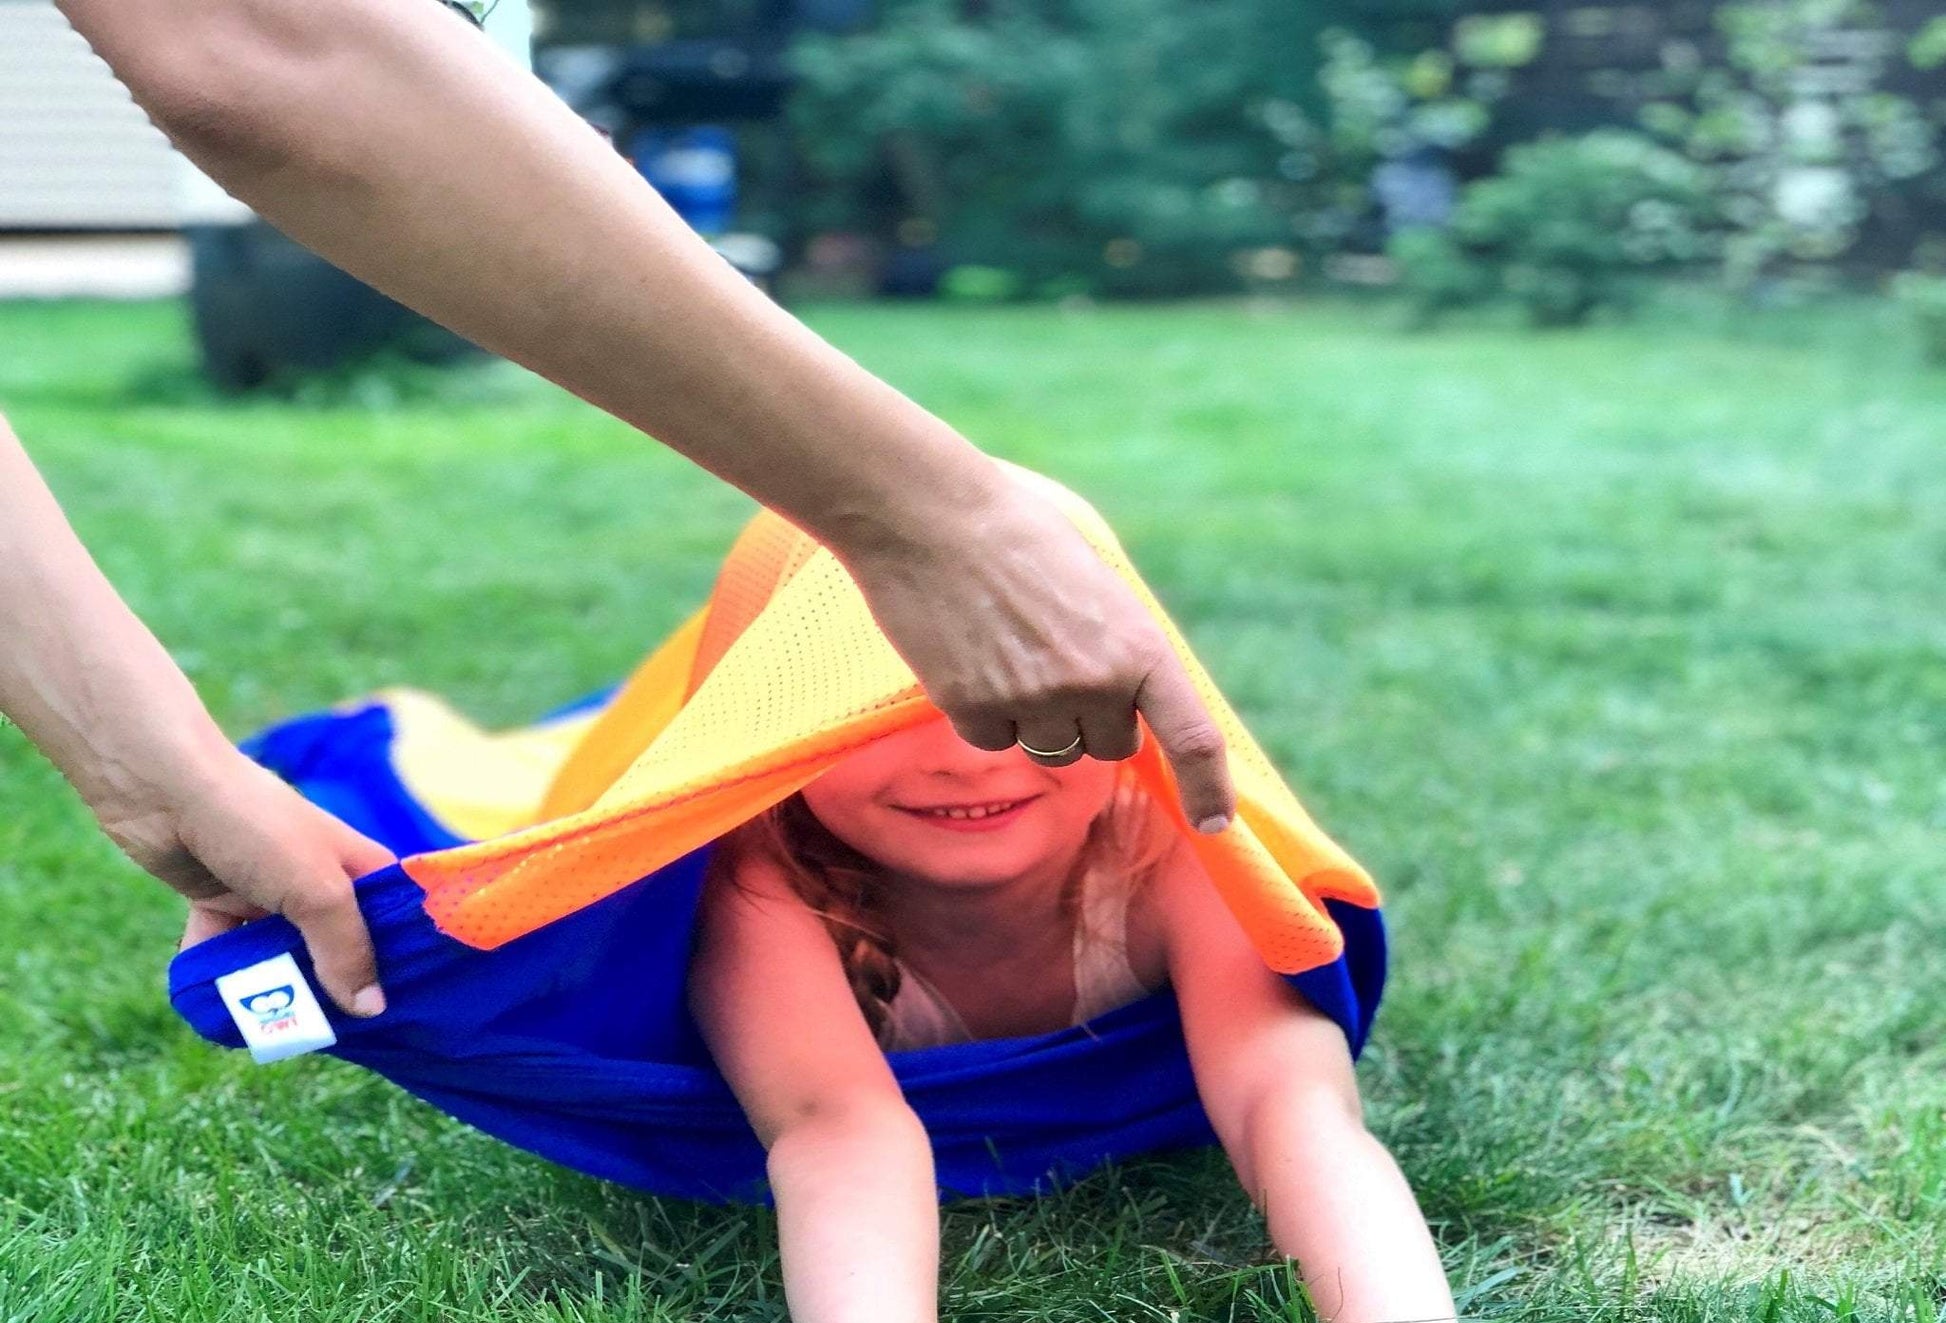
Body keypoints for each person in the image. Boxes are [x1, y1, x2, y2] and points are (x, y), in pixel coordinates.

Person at [1, 0, 1234, 1012]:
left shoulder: (1162, 891)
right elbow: (270, 41)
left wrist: (142, 758)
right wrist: (934, 518)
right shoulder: (770, 918)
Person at [688, 715, 1531, 1323]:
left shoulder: (1176, 840)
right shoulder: (761, 866)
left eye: (1017, 705)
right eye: (875, 718)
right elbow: (836, 1125)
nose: (965, 758)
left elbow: (1288, 1100)